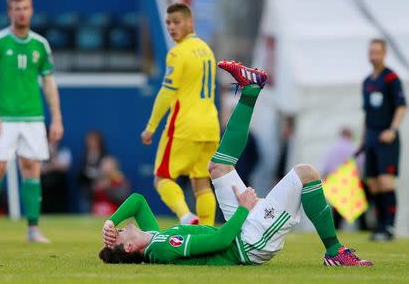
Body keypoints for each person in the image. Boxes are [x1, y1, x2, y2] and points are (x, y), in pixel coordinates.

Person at [100, 61, 373, 267]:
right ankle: (334, 252)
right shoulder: (161, 249)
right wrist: (243, 208)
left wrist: (111, 222)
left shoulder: (153, 238)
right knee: (307, 174)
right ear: (129, 249)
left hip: (239, 229)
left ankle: (251, 89)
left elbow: (136, 201)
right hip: (250, 242)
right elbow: (219, 242)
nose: (121, 230)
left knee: (217, 167)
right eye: (121, 234)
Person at [0, 0, 63, 243]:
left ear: (31, 10)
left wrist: (56, 118)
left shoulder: (40, 44)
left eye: (25, 8)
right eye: (16, 9)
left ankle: (33, 229)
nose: (21, 12)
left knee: (31, 169)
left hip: (33, 118)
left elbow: (49, 83)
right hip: (4, 117)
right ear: (9, 12)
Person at [140, 3, 220, 225]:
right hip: (210, 126)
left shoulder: (177, 52)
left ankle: (186, 217)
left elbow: (167, 93)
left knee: (162, 178)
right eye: (168, 23)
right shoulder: (206, 50)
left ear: (190, 22)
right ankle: (207, 232)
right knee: (202, 182)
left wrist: (151, 128)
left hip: (185, 125)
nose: (171, 27)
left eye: (177, 22)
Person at [360, 38, 407, 241]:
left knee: (386, 181)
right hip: (371, 138)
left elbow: (401, 106)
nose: (374, 55)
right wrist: (363, 139)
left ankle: (389, 226)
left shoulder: (391, 78)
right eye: (371, 52)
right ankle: (379, 226)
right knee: (373, 183)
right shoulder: (367, 82)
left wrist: (392, 129)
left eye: (377, 52)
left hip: (386, 138)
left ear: (384, 53)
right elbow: (367, 113)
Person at [320, 127, 368, 230]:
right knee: (357, 207)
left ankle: (336, 229)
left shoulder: (331, 149)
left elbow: (325, 168)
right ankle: (363, 229)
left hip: (336, 182)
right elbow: (361, 164)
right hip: (351, 182)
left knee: (337, 208)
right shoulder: (353, 148)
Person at [77, 130, 107, 212]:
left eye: (93, 140)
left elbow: (106, 173)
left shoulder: (104, 156)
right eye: (89, 140)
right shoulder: (85, 156)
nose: (91, 143)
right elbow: (81, 173)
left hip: (101, 191)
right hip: (87, 190)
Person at [40, 140, 72, 213]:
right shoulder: (40, 154)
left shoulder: (63, 151)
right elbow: (40, 170)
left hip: (59, 190)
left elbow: (64, 166)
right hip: (44, 190)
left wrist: (53, 154)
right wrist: (53, 165)